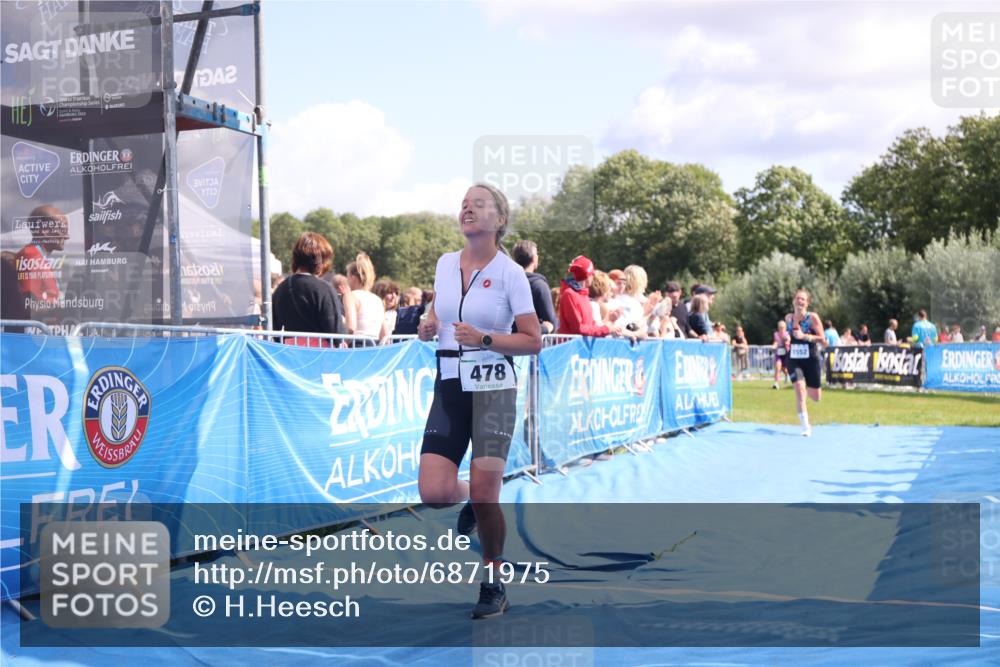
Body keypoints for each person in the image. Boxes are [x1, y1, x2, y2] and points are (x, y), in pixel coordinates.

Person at [416, 183, 541, 620]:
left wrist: (485, 338)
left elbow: (533, 340)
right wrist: (427, 325)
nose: (467, 209)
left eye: (479, 204)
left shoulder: (511, 274)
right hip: (450, 384)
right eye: (464, 204)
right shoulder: (444, 264)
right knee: (434, 492)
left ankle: (493, 583)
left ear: (499, 219)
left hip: (494, 390)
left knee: (489, 497)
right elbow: (438, 314)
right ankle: (474, 496)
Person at [272, 232, 345, 345]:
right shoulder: (324, 289)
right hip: (320, 352)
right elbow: (337, 334)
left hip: (289, 352)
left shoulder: (280, 290)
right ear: (320, 261)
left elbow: (275, 332)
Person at [784, 289, 825, 437]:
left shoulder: (812, 318)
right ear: (793, 301)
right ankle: (806, 427)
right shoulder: (788, 318)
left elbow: (822, 339)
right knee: (800, 391)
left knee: (815, 397)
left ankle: (807, 385)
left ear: (807, 303)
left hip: (811, 359)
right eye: (798, 298)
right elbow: (789, 333)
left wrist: (804, 336)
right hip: (794, 359)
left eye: (803, 299)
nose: (800, 301)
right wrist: (788, 338)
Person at [15, 205, 69, 306]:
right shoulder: (30, 256)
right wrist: (60, 307)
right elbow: (31, 305)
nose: (67, 236)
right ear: (45, 230)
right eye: (63, 230)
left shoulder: (36, 256)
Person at [558, 256, 621, 337]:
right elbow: (578, 328)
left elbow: (590, 325)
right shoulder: (569, 294)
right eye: (592, 274)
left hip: (583, 344)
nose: (593, 277)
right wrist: (606, 329)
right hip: (572, 344)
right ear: (587, 276)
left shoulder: (584, 294)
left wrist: (609, 326)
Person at [511, 240, 557, 335]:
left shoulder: (505, 282)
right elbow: (551, 323)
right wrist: (545, 328)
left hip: (502, 340)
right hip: (528, 341)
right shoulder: (539, 286)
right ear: (534, 258)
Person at [346, 252, 384, 339]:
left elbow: (351, 328)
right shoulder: (378, 300)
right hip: (375, 345)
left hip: (357, 344)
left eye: (347, 276)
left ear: (352, 278)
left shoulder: (350, 296)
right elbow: (384, 334)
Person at [772, 320, 790, 389]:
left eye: (783, 328)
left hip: (786, 353)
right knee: (778, 367)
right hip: (779, 353)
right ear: (778, 328)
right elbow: (776, 342)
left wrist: (787, 341)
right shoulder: (776, 334)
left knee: (784, 368)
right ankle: (776, 383)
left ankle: (786, 375)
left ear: (785, 328)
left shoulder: (787, 334)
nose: (781, 329)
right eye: (780, 328)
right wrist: (773, 346)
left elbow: (789, 339)